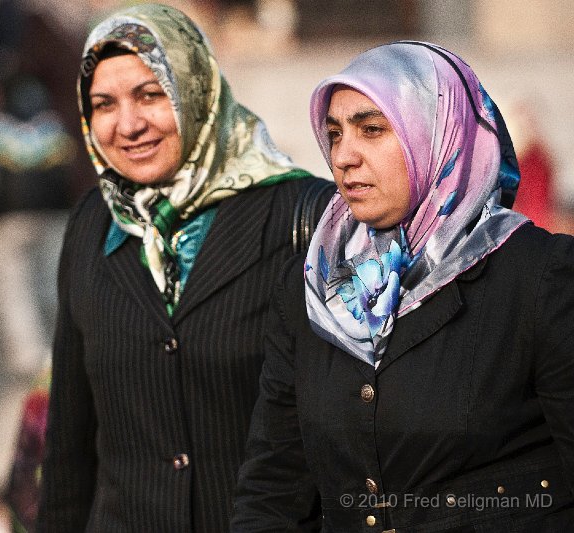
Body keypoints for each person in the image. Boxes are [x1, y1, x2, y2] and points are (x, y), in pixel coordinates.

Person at [231, 41, 574, 531]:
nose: (344, 156)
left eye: (372, 130)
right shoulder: (314, 283)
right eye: (334, 134)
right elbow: (275, 485)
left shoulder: (539, 276)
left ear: (437, 134)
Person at [37, 4, 326, 531]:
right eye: (103, 104)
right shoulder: (92, 223)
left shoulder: (303, 215)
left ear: (196, 89)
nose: (128, 125)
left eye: (150, 95)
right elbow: (70, 443)